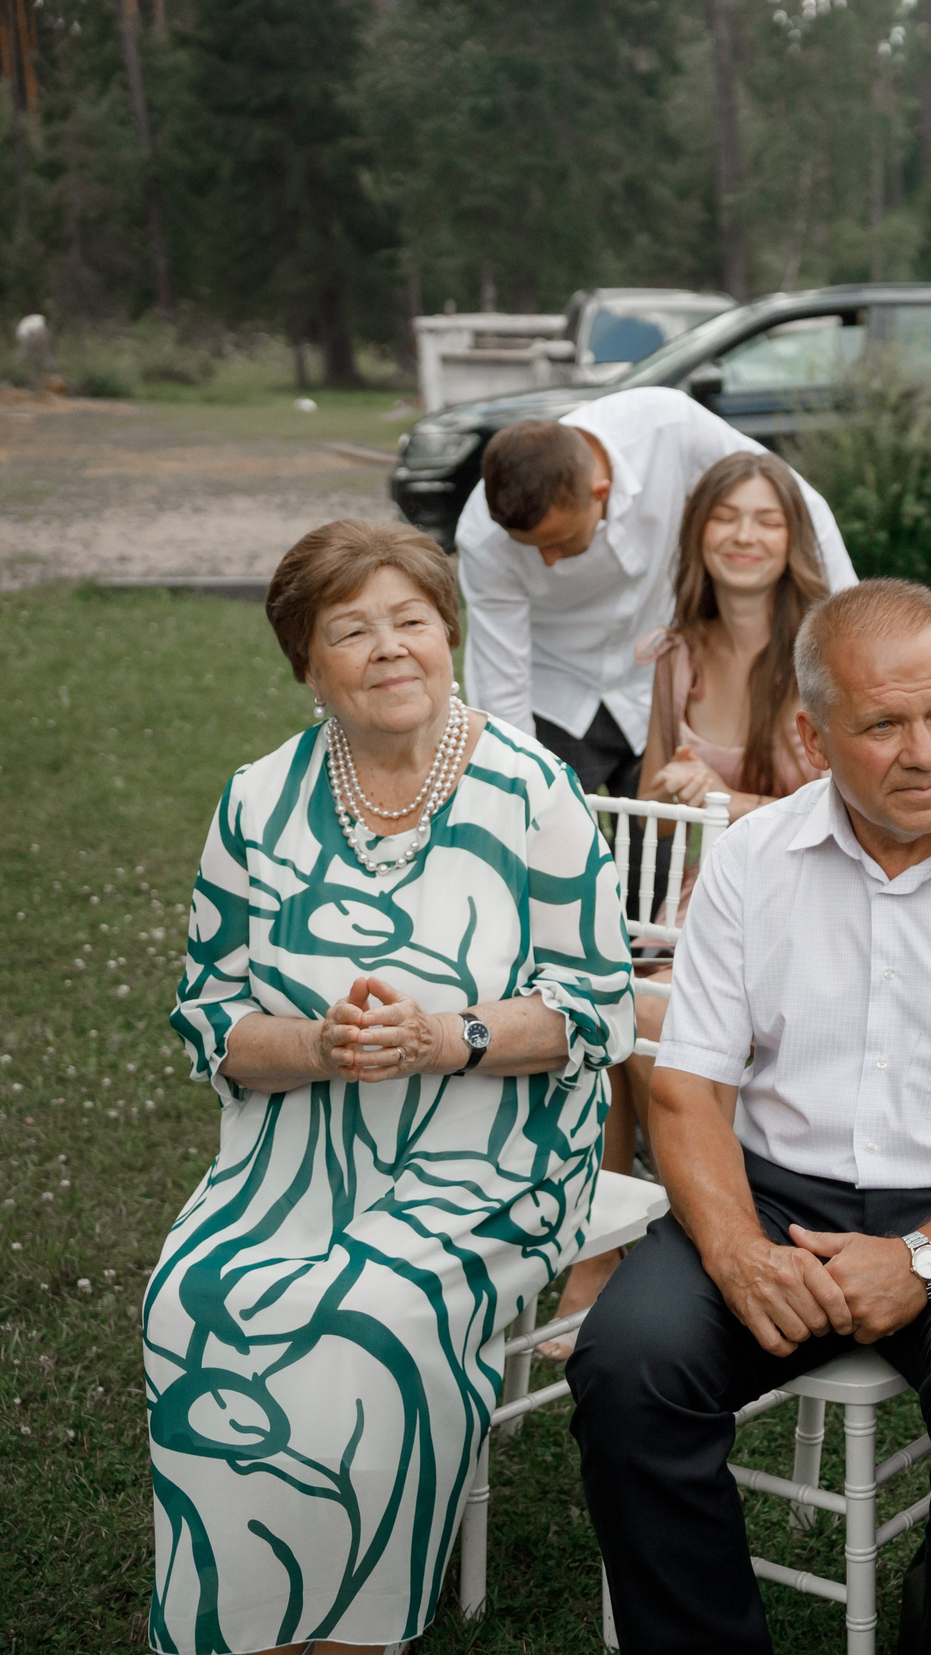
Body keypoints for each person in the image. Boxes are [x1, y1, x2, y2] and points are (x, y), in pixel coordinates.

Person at [565, 580, 931, 1655]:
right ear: (811, 735)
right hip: (772, 1195)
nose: (927, 751)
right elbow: (687, 1088)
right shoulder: (749, 859)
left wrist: (919, 1258)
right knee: (626, 1363)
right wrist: (734, 1251)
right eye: (884, 724)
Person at [149, 520, 635, 1655]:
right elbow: (207, 1017)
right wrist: (321, 1048)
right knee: (197, 1298)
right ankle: (238, 1621)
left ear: (449, 632)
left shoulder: (532, 788)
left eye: (411, 620)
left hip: (500, 1138)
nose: (389, 649)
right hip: (301, 1147)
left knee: (365, 1313)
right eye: (352, 630)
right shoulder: (256, 799)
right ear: (307, 662)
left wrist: (447, 1033)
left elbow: (600, 1003)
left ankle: (353, 1634)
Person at [542, 450, 835, 1346]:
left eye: (766, 520)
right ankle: (605, 1252)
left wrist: (731, 804)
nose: (744, 537)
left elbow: (864, 804)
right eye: (725, 518)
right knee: (603, 1009)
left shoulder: (828, 644)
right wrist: (667, 795)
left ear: (794, 540)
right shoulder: (675, 656)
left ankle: (699, 1244)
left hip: (818, 895)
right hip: (697, 897)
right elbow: (657, 829)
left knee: (647, 1018)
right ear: (698, 533)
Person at [457, 386, 857, 798]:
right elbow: (500, 681)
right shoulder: (482, 536)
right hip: (557, 691)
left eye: (561, 541)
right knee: (548, 841)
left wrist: (853, 644)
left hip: (656, 686)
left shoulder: (670, 425)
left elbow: (797, 504)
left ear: (601, 491)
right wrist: (519, 784)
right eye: (531, 546)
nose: (548, 559)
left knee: (659, 855)